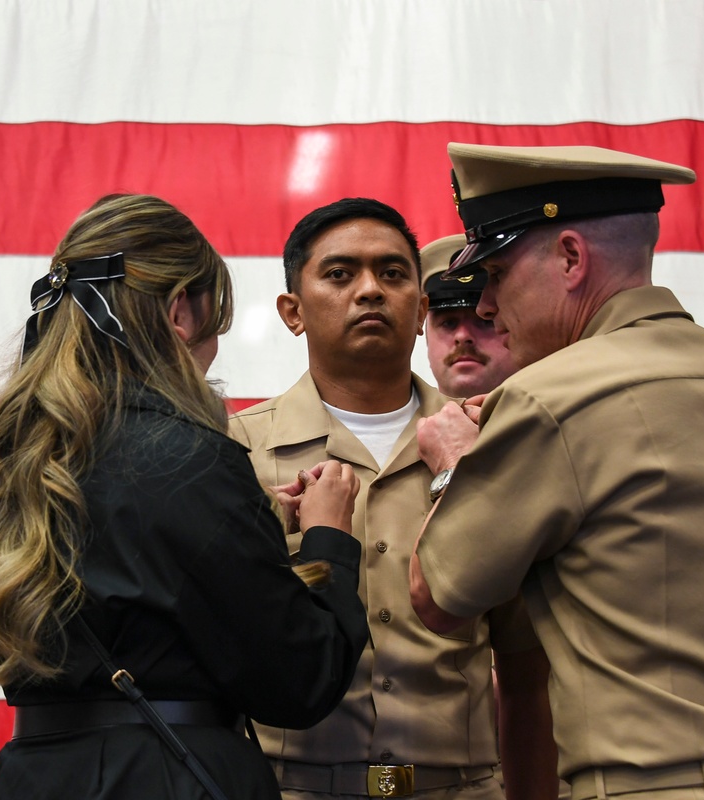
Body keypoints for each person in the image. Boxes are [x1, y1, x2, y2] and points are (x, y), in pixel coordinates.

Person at [410, 144, 704, 800]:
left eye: (495, 273)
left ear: (572, 259)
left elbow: (437, 596)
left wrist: (455, 466)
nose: (485, 305)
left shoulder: (553, 397)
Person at [0, 193, 369, 800]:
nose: (210, 356)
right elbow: (300, 680)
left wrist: (240, 526)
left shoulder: (23, 452)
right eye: (214, 328)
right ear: (180, 314)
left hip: (31, 777)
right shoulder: (187, 457)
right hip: (163, 778)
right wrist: (330, 538)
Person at [229, 198, 558, 800]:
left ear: (421, 308)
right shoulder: (237, 452)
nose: (370, 291)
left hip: (460, 789)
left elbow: (523, 664)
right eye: (339, 274)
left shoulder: (491, 441)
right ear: (292, 312)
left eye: (393, 273)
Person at [421, 234, 568, 800]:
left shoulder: (570, 430)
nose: (463, 334)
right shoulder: (390, 449)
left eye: (481, 316)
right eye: (444, 318)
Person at [421, 234, 515, 400]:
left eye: (485, 321)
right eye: (448, 323)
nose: (463, 336)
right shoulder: (396, 425)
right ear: (427, 337)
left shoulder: (561, 423)